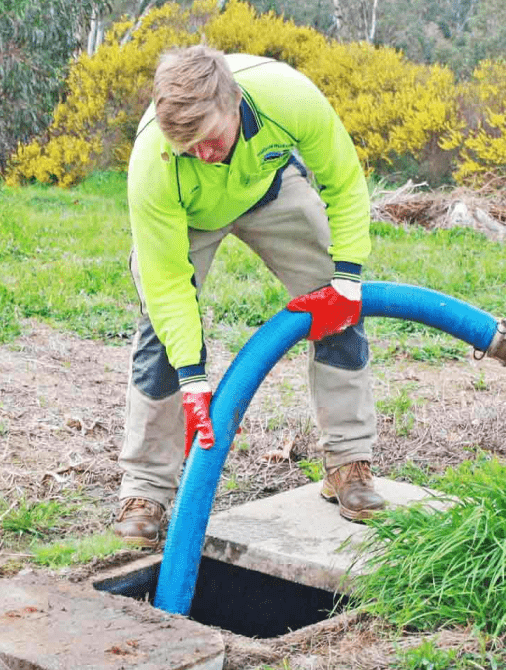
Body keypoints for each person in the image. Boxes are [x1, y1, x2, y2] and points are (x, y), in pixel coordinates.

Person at [113, 45, 385, 546]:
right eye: (189, 147)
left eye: (212, 139)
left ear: (235, 102)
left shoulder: (287, 96)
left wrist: (347, 279)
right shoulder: (154, 160)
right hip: (188, 215)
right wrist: (194, 379)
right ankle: (146, 492)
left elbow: (344, 181)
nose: (204, 155)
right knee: (162, 334)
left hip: (268, 187)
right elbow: (168, 283)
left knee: (337, 303)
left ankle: (348, 462)